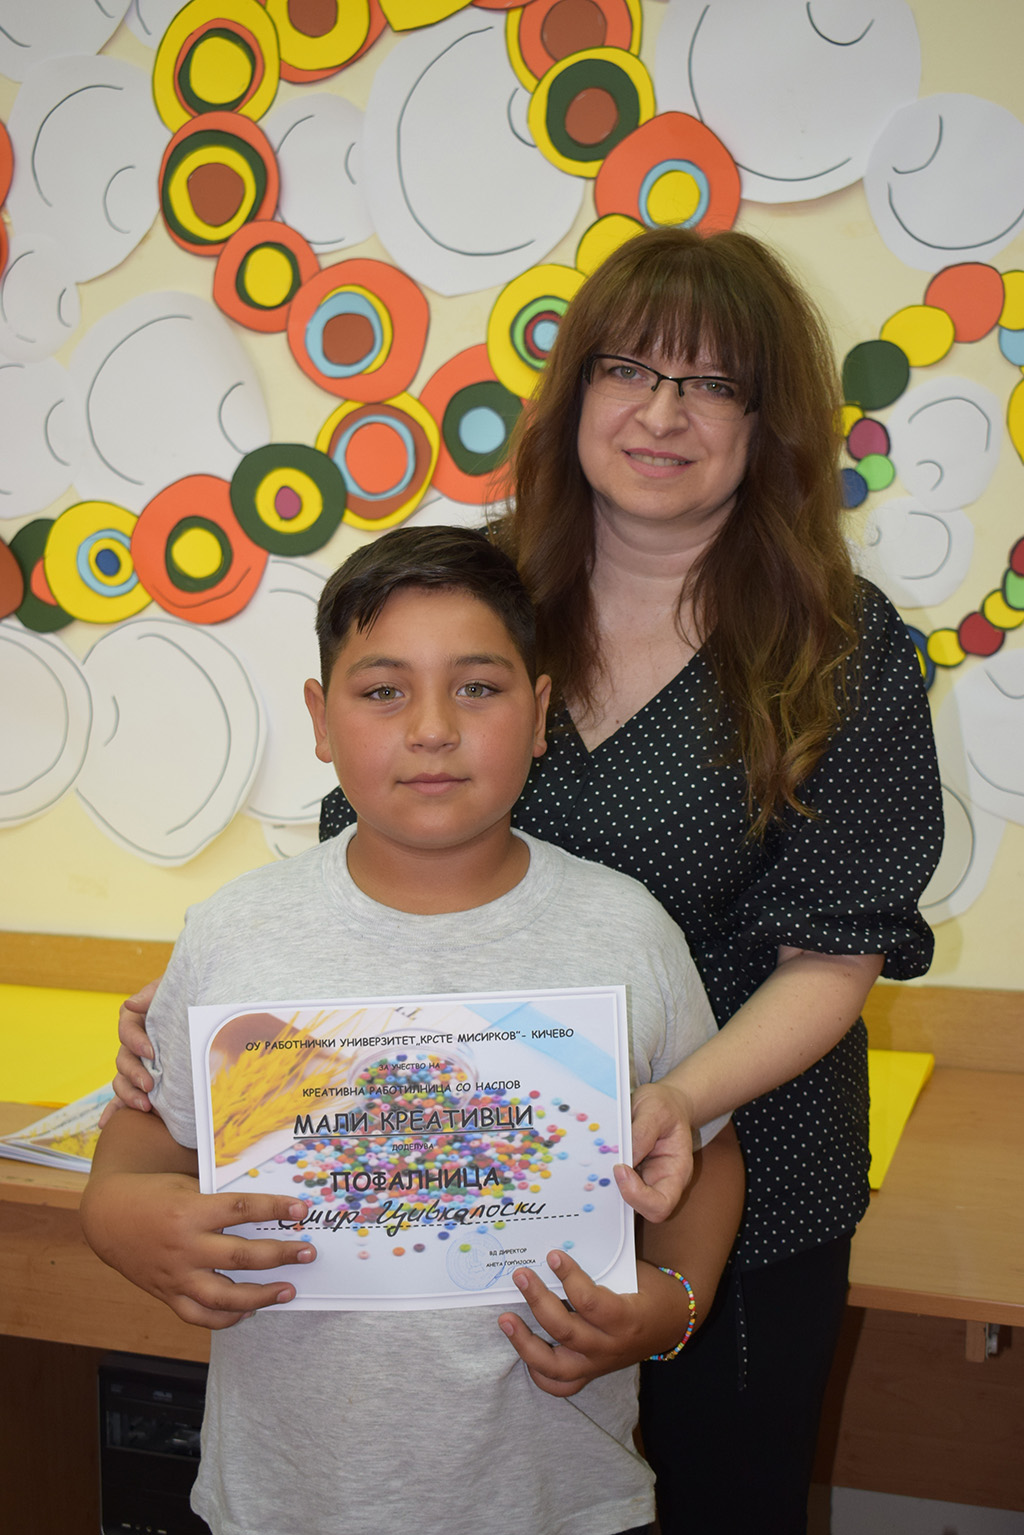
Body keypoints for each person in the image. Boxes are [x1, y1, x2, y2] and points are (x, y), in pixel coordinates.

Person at [108, 227, 943, 1532]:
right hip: (460, 1179)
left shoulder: (840, 646)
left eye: (713, 383)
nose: (662, 413)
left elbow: (834, 949)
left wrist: (678, 1098)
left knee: (711, 1500)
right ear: (577, 391)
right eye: (630, 370)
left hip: (737, 1173)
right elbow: (364, 846)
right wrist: (208, 1010)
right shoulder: (479, 596)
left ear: (767, 422)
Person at [83, 525, 745, 1535]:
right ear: (320, 719)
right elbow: (137, 1146)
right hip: (286, 1498)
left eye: (476, 687)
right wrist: (123, 1220)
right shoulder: (235, 929)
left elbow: (705, 1144)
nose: (432, 728)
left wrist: (670, 1303)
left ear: (539, 713)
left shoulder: (627, 930)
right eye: (383, 690)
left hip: (559, 1498)